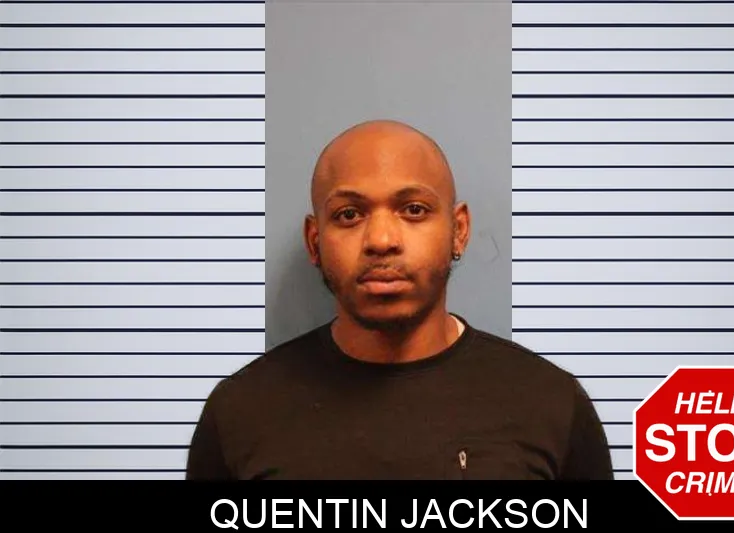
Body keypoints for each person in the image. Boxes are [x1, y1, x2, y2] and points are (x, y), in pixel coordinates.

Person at [185, 119, 614, 480]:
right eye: (349, 215)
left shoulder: (551, 405)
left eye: (413, 210)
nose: (381, 240)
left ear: (459, 231)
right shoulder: (240, 413)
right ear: (315, 242)